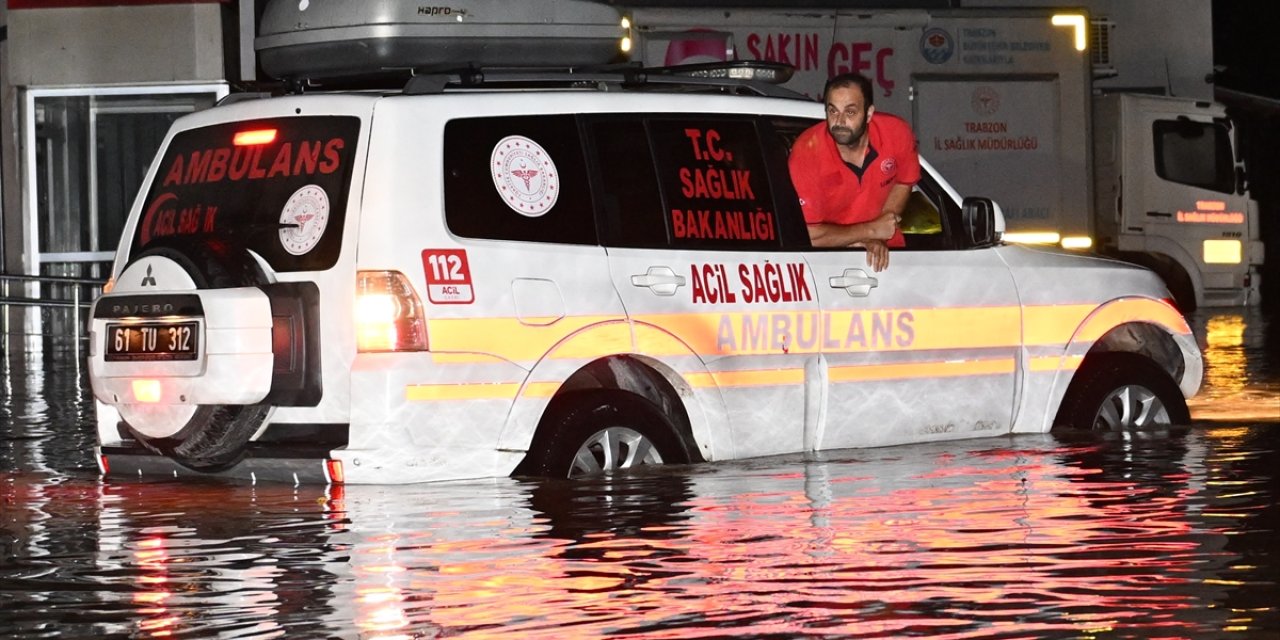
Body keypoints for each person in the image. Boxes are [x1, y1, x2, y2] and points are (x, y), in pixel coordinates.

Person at [788, 72, 921, 271]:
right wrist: (870, 232)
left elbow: (904, 181)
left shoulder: (896, 133)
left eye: (850, 112)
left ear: (869, 114)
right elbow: (808, 234)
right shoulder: (807, 152)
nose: (839, 121)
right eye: (832, 111)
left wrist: (879, 230)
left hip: (888, 260)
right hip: (826, 265)